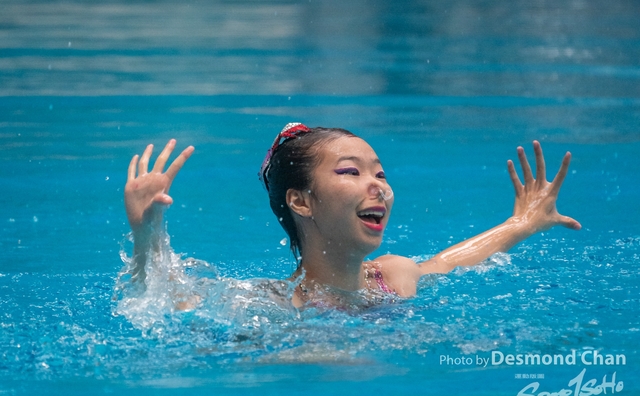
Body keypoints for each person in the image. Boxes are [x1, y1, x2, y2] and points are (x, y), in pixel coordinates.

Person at [124, 123, 580, 309]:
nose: (378, 185)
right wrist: (147, 234)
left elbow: (448, 262)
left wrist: (521, 223)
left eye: (380, 173)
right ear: (301, 202)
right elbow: (164, 303)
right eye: (350, 172)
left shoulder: (393, 276)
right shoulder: (272, 304)